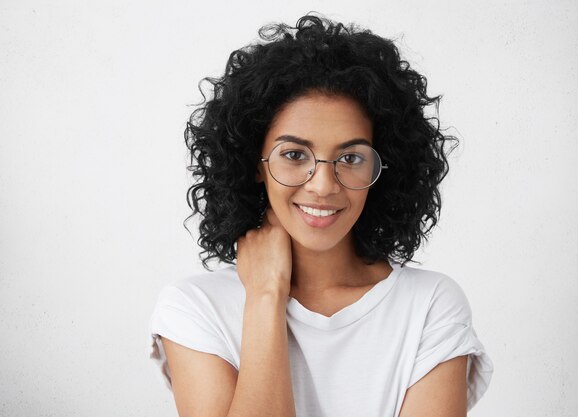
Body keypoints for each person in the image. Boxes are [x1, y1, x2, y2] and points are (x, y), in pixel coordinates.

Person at [149, 13, 493, 417]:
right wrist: (264, 297)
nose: (324, 185)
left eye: (350, 157)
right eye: (295, 155)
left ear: (382, 167)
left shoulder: (430, 306)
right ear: (255, 163)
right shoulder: (195, 308)